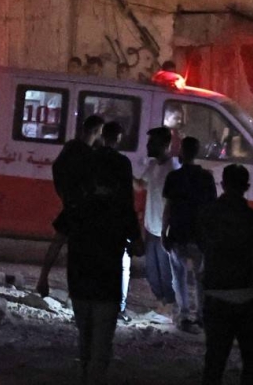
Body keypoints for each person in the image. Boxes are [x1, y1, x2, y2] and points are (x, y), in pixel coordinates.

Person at [41, 115, 137, 384]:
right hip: (106, 287)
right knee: (102, 343)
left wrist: (43, 278)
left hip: (80, 283)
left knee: (85, 338)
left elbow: (57, 243)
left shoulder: (76, 208)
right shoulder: (120, 213)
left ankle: (85, 376)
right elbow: (138, 247)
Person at [197, 164, 253, 385]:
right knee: (251, 358)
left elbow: (201, 247)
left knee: (214, 361)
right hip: (248, 300)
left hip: (216, 297)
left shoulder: (208, 215)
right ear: (246, 187)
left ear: (223, 185)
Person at [162, 137, 217, 333]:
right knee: (201, 277)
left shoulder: (174, 177)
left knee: (179, 277)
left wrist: (163, 232)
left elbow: (168, 207)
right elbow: (212, 209)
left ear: (182, 151)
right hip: (200, 235)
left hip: (178, 233)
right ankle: (202, 316)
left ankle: (184, 315)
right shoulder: (207, 178)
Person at [96, 121, 143, 324]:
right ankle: (118, 308)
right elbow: (127, 200)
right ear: (118, 138)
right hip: (115, 223)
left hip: (93, 222)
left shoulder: (91, 159)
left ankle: (93, 304)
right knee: (122, 267)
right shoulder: (122, 163)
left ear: (102, 136)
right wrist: (134, 234)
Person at [137, 127, 180, 312]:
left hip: (164, 231)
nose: (147, 146)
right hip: (151, 228)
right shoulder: (154, 165)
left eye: (151, 142)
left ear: (164, 145)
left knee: (166, 274)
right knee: (152, 272)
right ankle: (163, 305)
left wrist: (166, 231)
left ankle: (170, 307)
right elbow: (140, 185)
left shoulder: (173, 169)